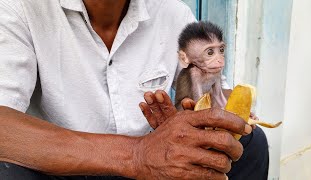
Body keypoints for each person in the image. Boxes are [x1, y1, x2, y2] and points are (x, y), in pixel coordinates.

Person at [0, 0, 268, 179]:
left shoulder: (172, 13)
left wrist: (193, 123)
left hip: (152, 169)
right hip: (59, 168)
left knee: (249, 145)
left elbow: (209, 93)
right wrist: (138, 154)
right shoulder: (19, 9)